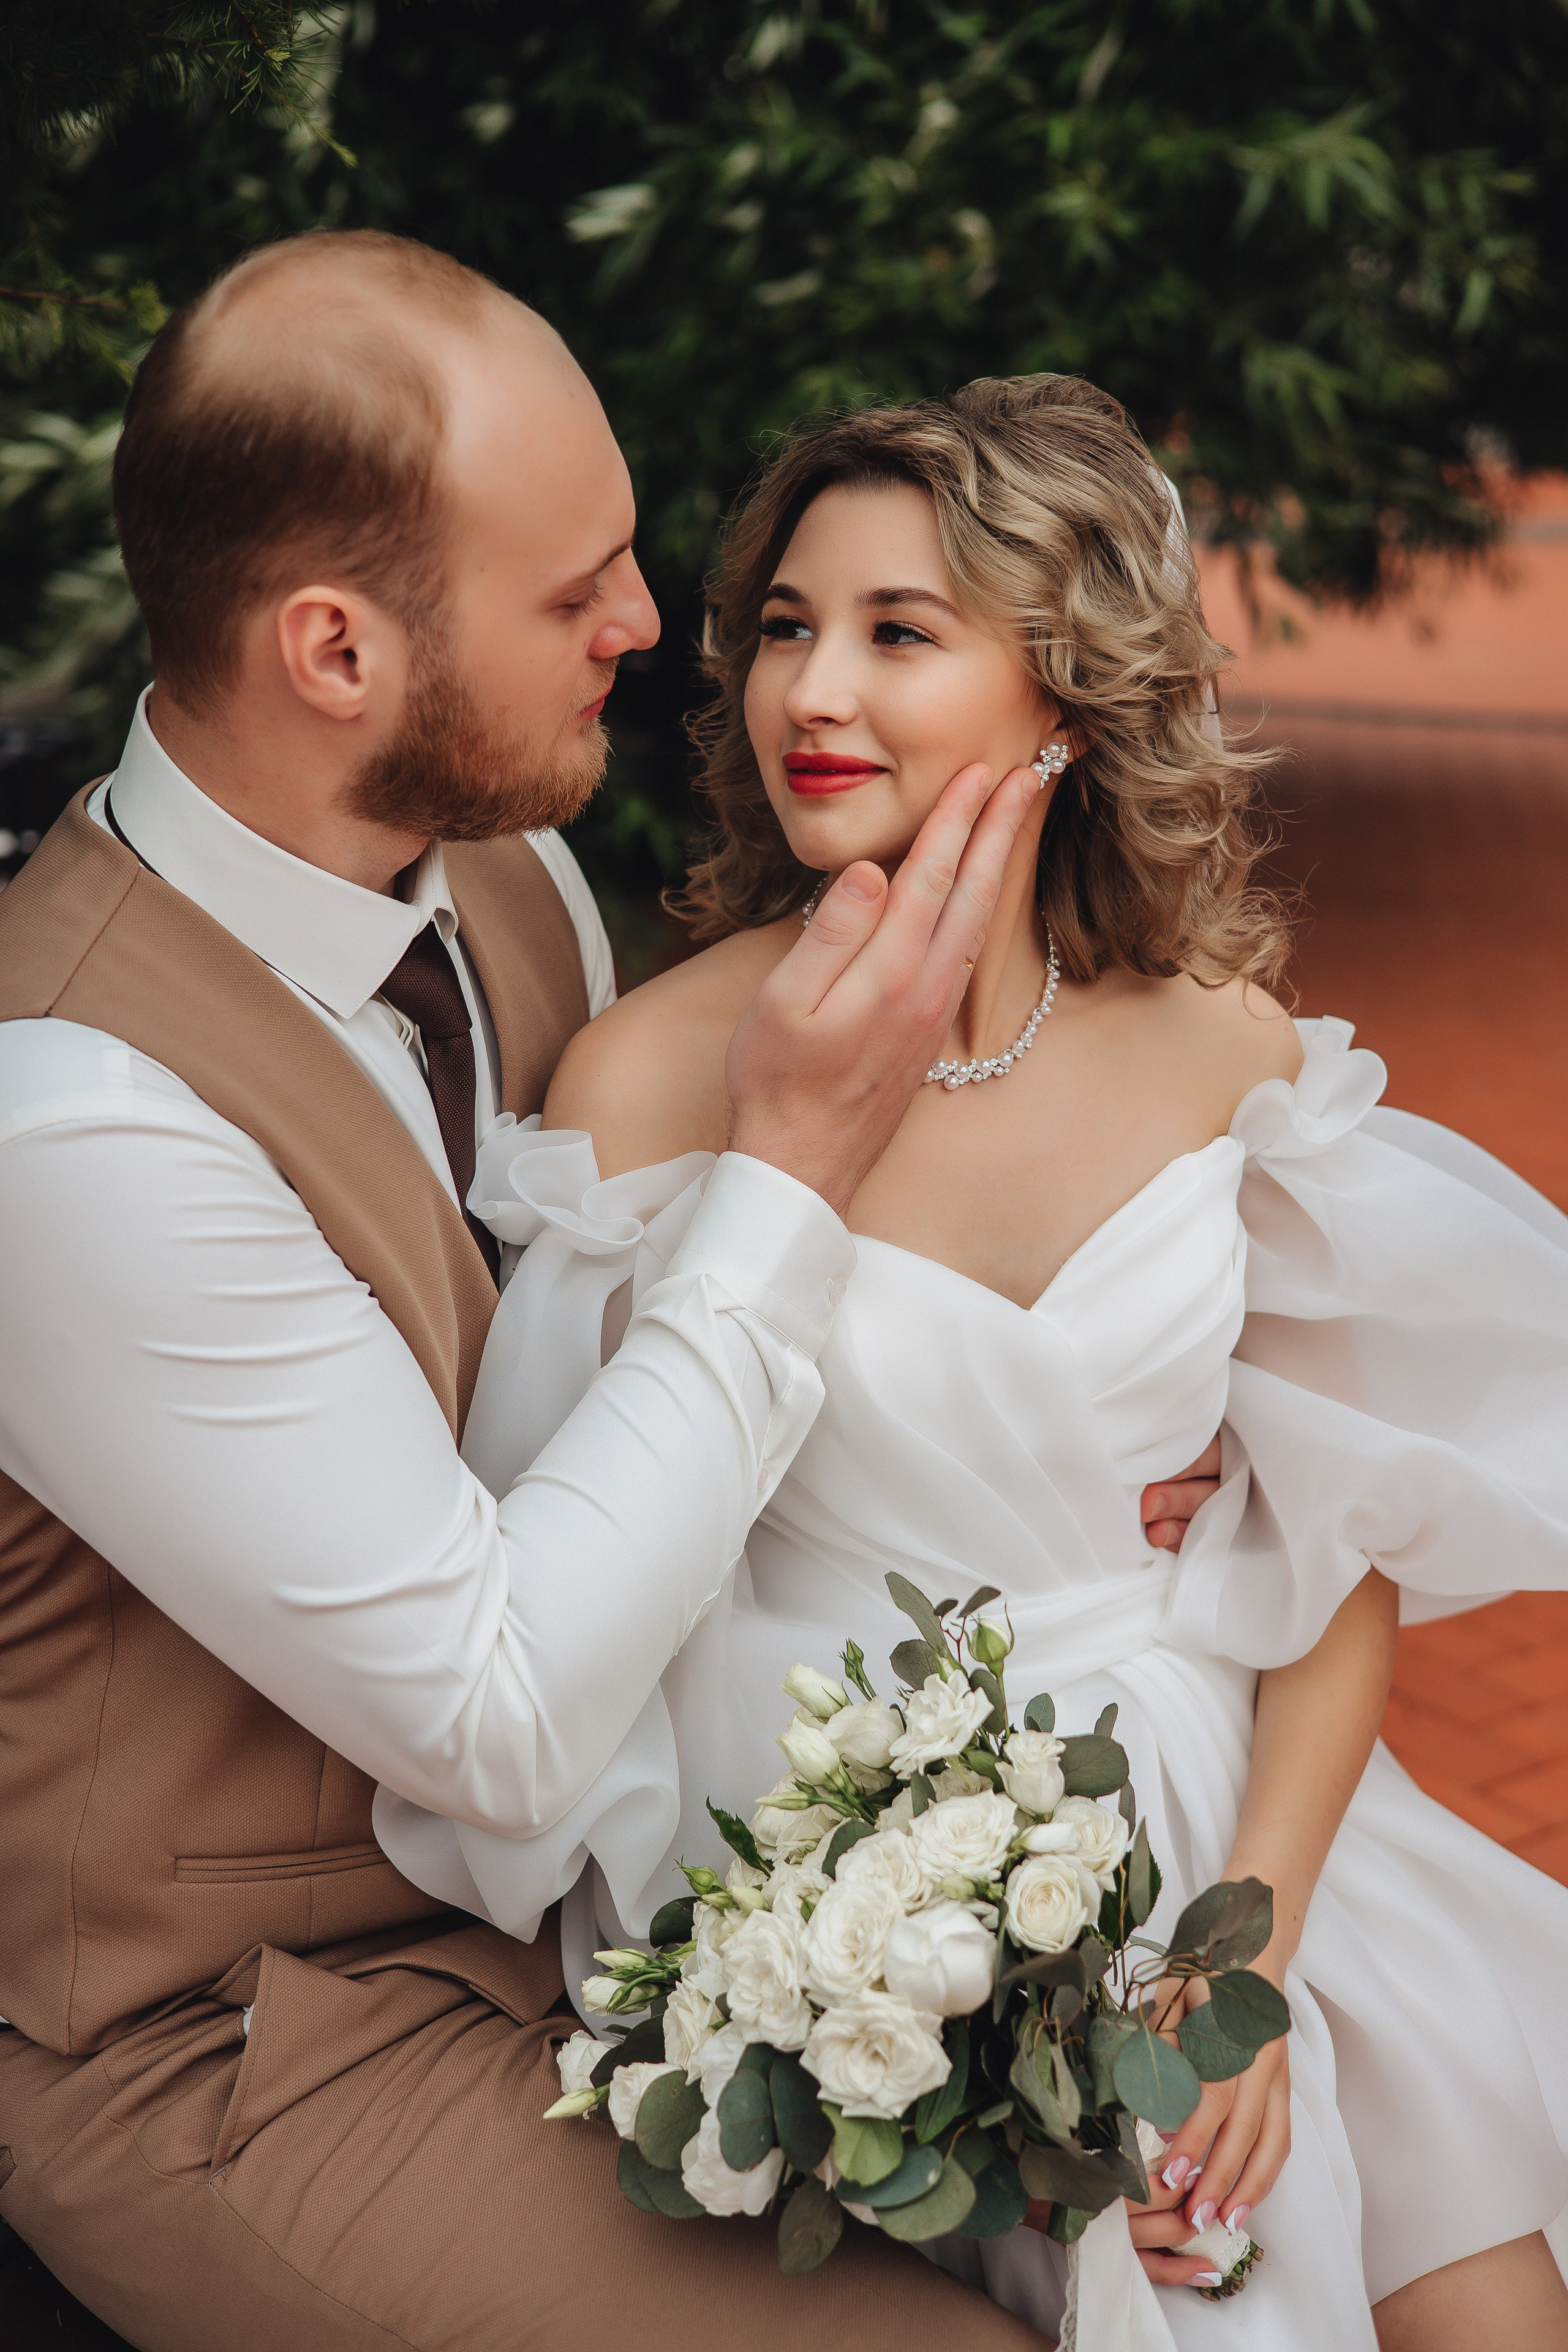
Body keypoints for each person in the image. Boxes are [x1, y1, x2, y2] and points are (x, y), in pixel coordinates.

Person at [0, 232, 1217, 2351]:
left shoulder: (503, 881)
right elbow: (497, 1711)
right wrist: (793, 1171)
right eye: (575, 594)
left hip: (622, 1911)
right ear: (334, 650)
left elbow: (610, 1379)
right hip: (254, 2034)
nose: (655, 629)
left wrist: (1050, 1440)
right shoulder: (73, 1124)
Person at [425, 377, 1568, 2351]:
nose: (812, 692)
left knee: (1486, 2300)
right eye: (787, 628)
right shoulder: (651, 1088)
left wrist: (1242, 1970)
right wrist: (879, 2032)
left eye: (900, 632)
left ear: (1069, 697)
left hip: (1254, 1845)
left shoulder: (1224, 1046)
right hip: (892, 1937)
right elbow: (584, 1617)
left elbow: (1338, 1553)